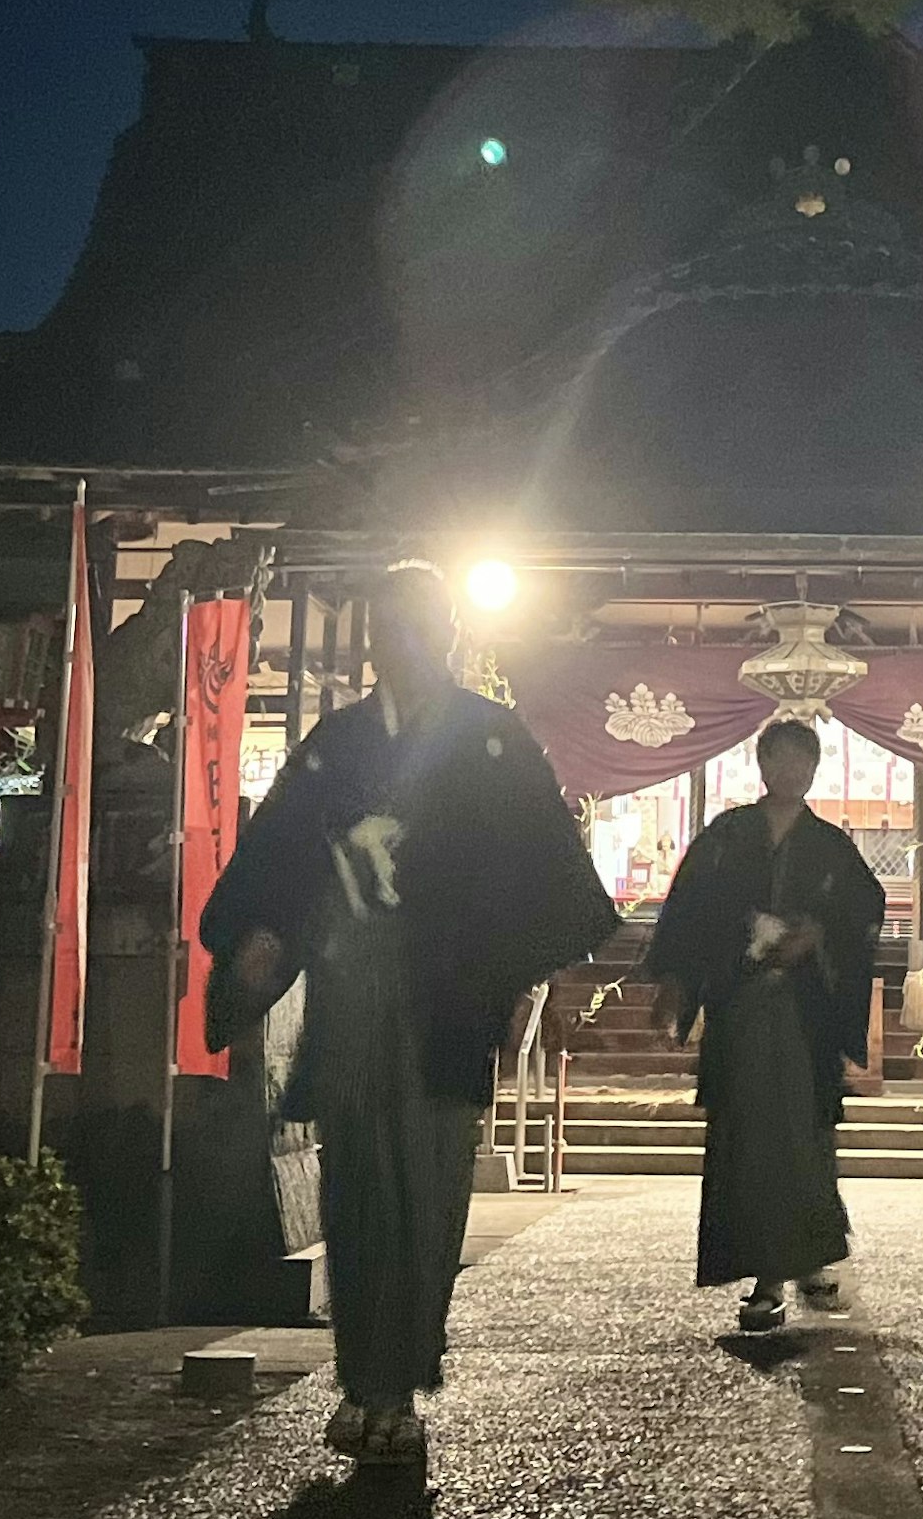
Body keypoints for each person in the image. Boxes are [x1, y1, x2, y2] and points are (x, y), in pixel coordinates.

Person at [200, 561, 616, 1463]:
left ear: (452, 637)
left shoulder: (491, 740)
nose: (402, 646)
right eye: (388, 629)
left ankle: (400, 1376)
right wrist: (262, 934)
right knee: (357, 1194)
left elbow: (546, 873)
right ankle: (367, 1381)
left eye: (419, 627)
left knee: (425, 1193)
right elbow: (280, 853)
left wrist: (525, 980)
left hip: (449, 996)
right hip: (355, 991)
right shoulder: (338, 743)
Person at [646, 716, 886, 1336]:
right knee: (746, 1136)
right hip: (741, 1011)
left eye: (802, 762)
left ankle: (792, 1263)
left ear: (813, 769)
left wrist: (819, 936)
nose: (790, 772)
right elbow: (688, 912)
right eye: (779, 759)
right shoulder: (726, 838)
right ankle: (765, 1273)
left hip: (805, 1019)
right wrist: (676, 987)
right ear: (762, 765)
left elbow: (865, 909)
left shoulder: (832, 846)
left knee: (802, 1135)